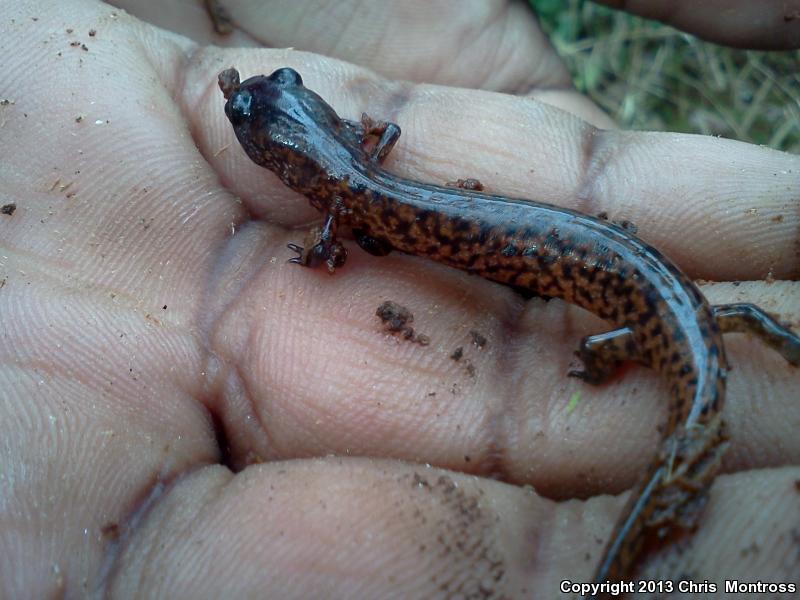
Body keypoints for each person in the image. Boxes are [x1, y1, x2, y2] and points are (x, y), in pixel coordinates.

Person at [1, 1, 797, 596]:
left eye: (266, 108)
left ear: (291, 164)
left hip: (627, 293)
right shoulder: (355, 163)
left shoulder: (341, 204)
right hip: (645, 285)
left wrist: (316, 249)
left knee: (609, 347)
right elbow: (368, 149)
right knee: (705, 324)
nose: (253, 105)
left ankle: (647, 512)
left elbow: (327, 249)